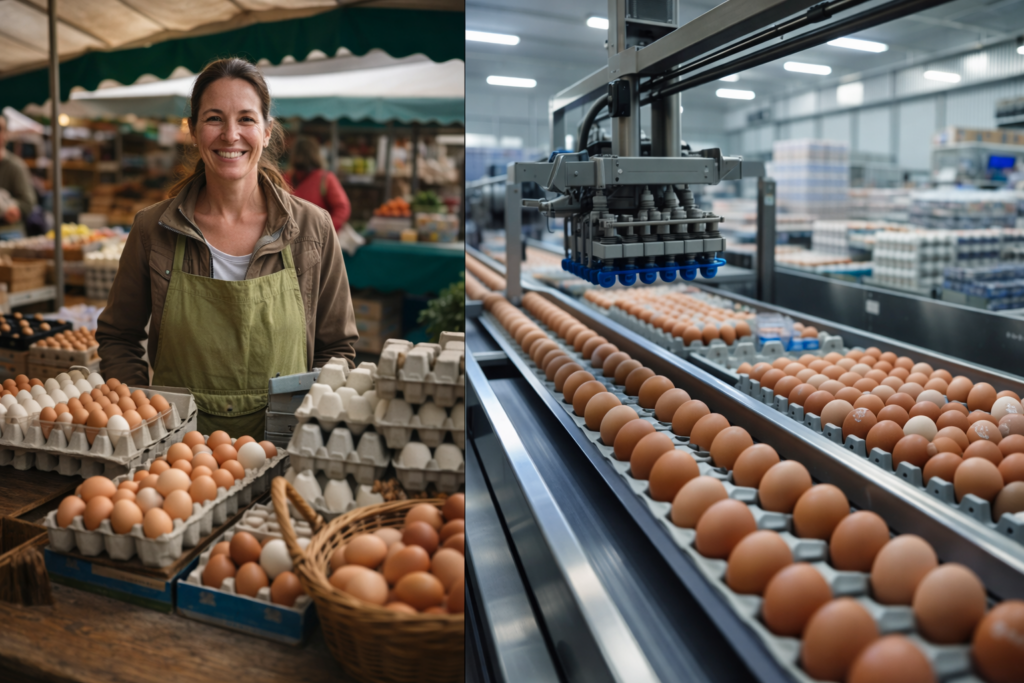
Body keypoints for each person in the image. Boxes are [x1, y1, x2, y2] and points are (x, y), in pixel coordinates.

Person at [97, 58, 359, 438]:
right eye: (214, 118)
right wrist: (143, 413)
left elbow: (336, 348)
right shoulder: (152, 229)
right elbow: (119, 336)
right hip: (175, 458)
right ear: (193, 130)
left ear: (267, 132)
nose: (230, 134)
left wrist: (307, 430)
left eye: (247, 119)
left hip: (287, 451)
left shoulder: (312, 229)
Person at [285, 135, 351, 231]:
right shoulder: (286, 178)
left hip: (315, 239)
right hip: (293, 238)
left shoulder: (325, 179)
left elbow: (342, 209)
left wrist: (324, 232)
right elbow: (343, 209)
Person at [0, 115, 37, 238]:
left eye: (0, 129)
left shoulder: (16, 166)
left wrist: (11, 209)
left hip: (8, 233)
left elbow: (28, 203)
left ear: (6, 134)